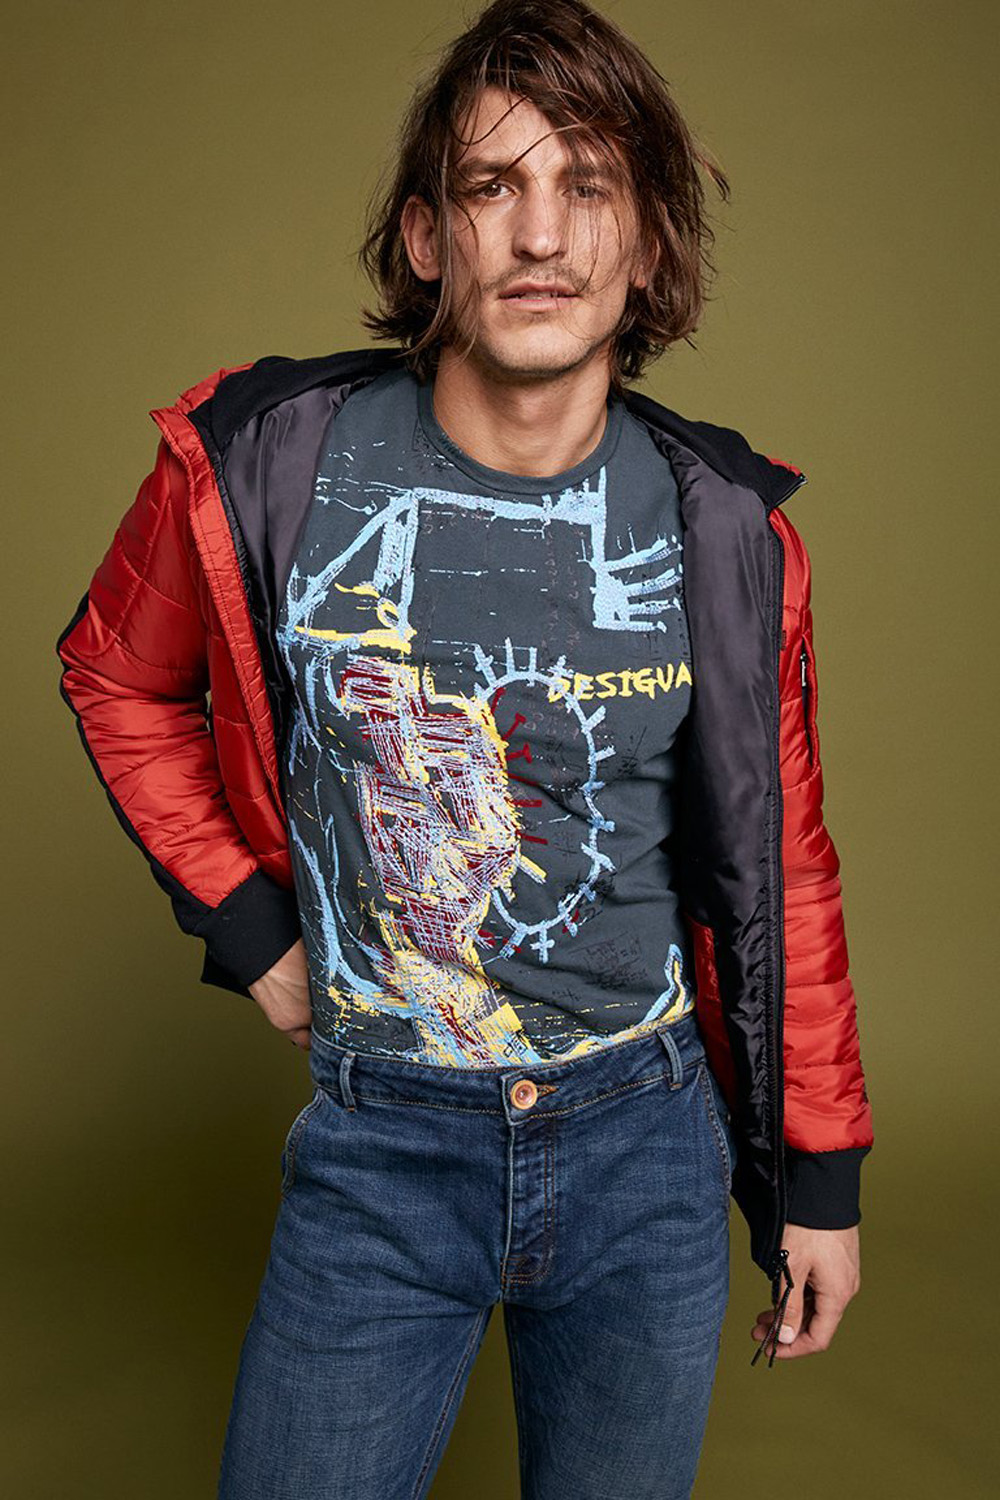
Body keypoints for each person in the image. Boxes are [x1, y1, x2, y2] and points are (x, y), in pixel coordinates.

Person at [55, 1, 874, 1495]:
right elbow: (117, 675)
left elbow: (785, 865)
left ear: (647, 244)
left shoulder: (726, 531)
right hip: (382, 1152)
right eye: (495, 188)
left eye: (588, 188)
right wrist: (249, 927)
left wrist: (819, 1180)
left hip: (647, 1148)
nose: (540, 236)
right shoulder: (266, 461)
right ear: (429, 238)